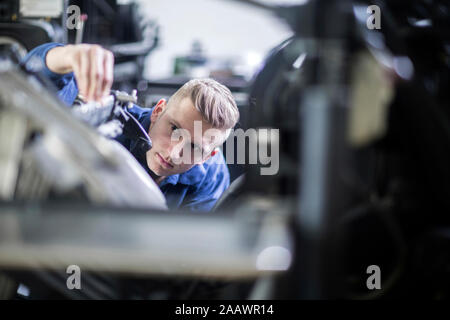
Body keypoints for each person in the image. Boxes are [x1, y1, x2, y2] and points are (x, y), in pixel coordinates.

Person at [22, 43, 240, 211]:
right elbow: (31, 88)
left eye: (194, 147)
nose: (174, 153)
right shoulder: (107, 123)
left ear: (207, 156)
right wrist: (65, 56)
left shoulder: (211, 175)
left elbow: (185, 250)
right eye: (174, 129)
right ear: (157, 111)